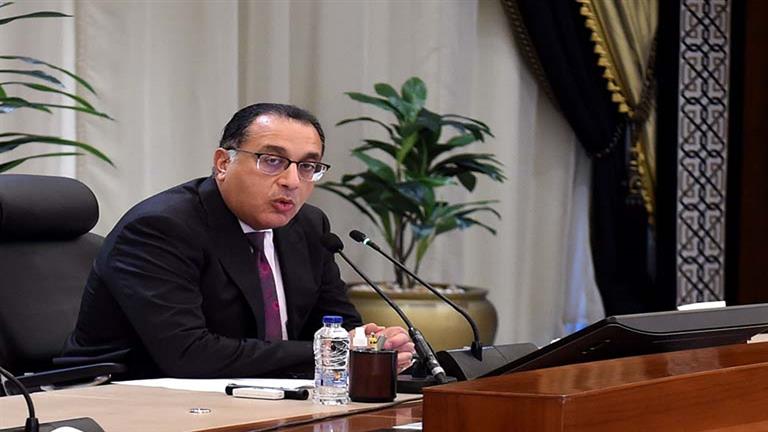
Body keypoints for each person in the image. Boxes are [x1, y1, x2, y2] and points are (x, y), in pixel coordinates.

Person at [59, 103, 414, 379]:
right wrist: (334, 351)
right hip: (125, 397)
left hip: (255, 396)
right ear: (222, 164)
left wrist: (371, 346)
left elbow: (335, 326)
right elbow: (189, 354)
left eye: (308, 166)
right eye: (272, 161)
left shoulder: (308, 226)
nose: (292, 181)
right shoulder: (161, 228)